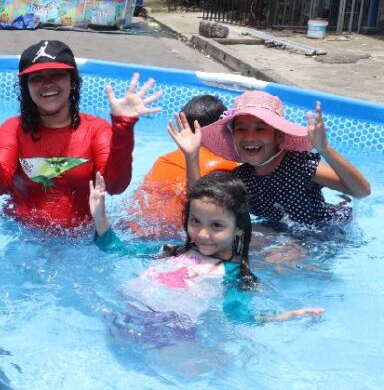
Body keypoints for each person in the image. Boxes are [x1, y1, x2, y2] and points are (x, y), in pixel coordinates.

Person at [0, 40, 162, 232]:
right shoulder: (12, 129)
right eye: (37, 78)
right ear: (26, 86)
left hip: (80, 238)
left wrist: (124, 128)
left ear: (73, 83)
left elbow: (114, 186)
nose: (47, 84)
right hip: (22, 233)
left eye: (57, 75)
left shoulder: (96, 130)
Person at [90, 171, 325, 339]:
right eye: (195, 221)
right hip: (124, 316)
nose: (203, 234)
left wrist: (286, 316)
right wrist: (100, 215)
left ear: (238, 228)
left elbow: (238, 314)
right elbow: (116, 250)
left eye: (216, 226)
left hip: (170, 333)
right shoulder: (172, 251)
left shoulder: (233, 274)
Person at [169, 90, 371, 229]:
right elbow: (201, 206)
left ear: (279, 136)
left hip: (327, 233)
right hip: (281, 233)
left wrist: (324, 149)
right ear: (233, 138)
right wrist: (191, 156)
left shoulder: (300, 166)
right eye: (241, 129)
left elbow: (361, 191)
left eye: (260, 128)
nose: (249, 136)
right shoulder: (241, 177)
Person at [128, 95, 237, 235]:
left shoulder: (163, 159)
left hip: (133, 224)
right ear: (221, 130)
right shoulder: (224, 165)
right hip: (171, 233)